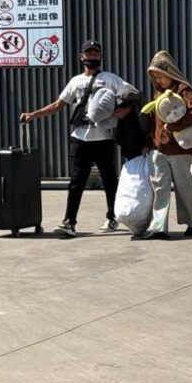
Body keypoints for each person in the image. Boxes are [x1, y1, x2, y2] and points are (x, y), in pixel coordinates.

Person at [20, 40, 125, 238]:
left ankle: (112, 216)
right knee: (76, 181)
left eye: (95, 53)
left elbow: (130, 96)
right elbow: (59, 104)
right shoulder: (75, 81)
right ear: (81, 57)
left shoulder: (111, 79)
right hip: (79, 139)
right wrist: (34, 114)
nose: (92, 56)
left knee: (110, 180)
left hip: (103, 138)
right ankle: (69, 221)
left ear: (101, 56)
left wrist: (122, 111)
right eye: (88, 53)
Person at [142, 51, 192, 240]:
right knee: (159, 186)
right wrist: (148, 142)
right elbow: (155, 119)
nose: (158, 80)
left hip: (179, 148)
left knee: (183, 185)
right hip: (158, 147)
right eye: (155, 77)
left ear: (169, 73)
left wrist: (175, 125)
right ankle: (159, 227)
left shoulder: (184, 89)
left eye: (160, 76)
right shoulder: (157, 93)